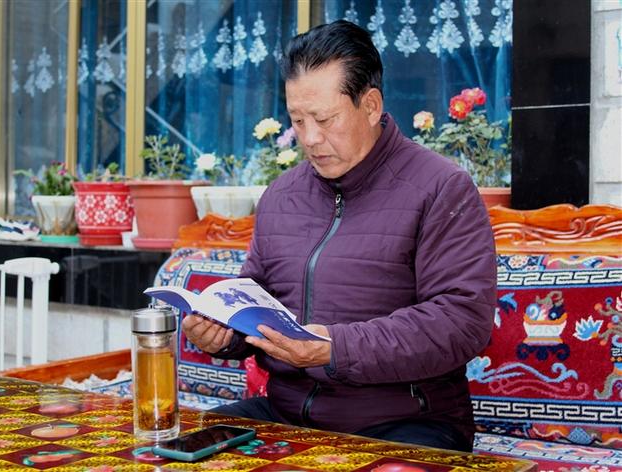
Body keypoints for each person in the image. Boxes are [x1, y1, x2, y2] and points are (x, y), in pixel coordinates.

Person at [182, 20, 496, 452]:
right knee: (175, 454)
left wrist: (335, 349)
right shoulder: (281, 195)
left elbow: (461, 322)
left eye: (325, 119)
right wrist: (224, 333)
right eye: (297, 120)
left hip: (405, 422)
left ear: (370, 106)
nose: (310, 139)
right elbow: (256, 300)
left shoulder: (441, 188)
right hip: (286, 414)